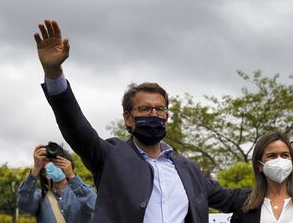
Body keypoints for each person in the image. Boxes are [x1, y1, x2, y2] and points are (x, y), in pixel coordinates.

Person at [33, 19, 243, 223]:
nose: (153, 114)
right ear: (128, 117)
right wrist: (53, 73)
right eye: (144, 109)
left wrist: (271, 179)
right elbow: (76, 128)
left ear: (166, 117)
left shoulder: (189, 169)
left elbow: (232, 198)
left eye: (159, 109)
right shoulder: (110, 156)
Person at [17, 143, 96, 223]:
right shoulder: (40, 197)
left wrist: (71, 175)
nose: (52, 164)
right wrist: (36, 168)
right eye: (48, 161)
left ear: (68, 164)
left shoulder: (82, 192)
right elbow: (24, 203)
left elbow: (94, 205)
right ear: (43, 169)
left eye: (56, 160)